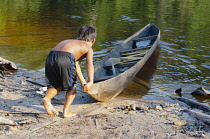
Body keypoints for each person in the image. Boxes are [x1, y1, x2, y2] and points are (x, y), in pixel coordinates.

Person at [42, 25, 96, 118]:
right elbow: (89, 65)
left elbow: (75, 64)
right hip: (65, 57)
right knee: (71, 86)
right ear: (93, 40)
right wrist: (90, 82)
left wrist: (83, 81)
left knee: (55, 85)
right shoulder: (88, 47)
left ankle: (47, 99)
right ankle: (66, 111)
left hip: (51, 57)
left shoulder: (69, 42)